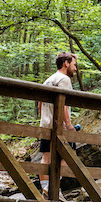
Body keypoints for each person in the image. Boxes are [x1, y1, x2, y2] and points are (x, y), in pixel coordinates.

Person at [37, 53, 78, 193]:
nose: (75, 68)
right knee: (69, 155)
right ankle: (53, 188)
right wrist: (68, 124)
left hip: (46, 124)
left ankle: (45, 189)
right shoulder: (64, 79)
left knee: (46, 157)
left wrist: (44, 118)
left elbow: (40, 104)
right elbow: (63, 104)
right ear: (66, 63)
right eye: (74, 65)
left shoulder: (48, 80)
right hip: (60, 125)